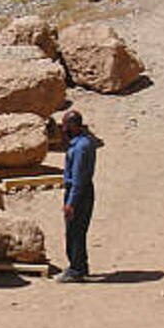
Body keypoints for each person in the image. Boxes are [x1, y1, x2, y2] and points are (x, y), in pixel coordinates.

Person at [59, 110, 97, 283]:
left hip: (79, 193)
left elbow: (79, 178)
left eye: (66, 125)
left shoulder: (81, 147)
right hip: (82, 190)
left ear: (73, 125)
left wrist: (71, 203)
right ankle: (81, 264)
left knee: (74, 231)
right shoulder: (83, 142)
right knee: (78, 230)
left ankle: (76, 270)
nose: (64, 128)